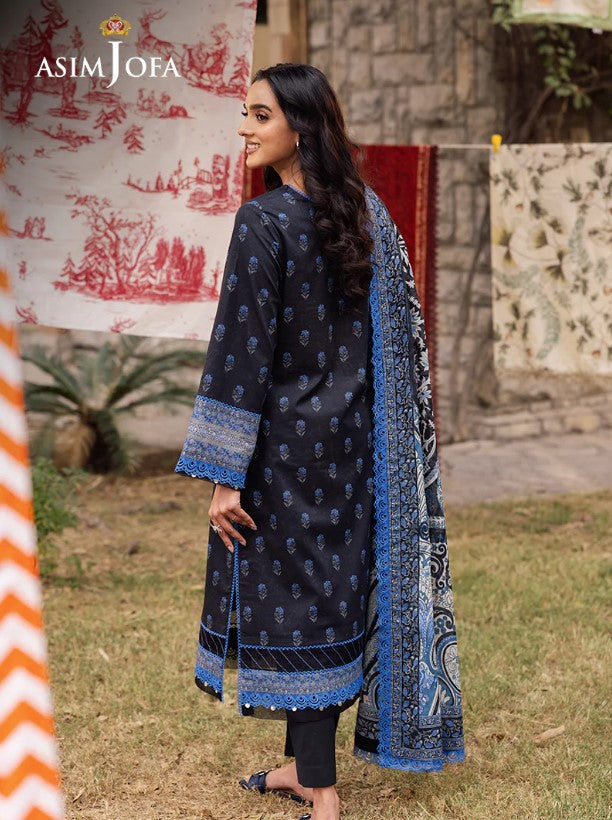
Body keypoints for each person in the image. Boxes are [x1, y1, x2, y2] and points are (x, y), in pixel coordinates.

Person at [175, 63, 465, 820]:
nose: (244, 128)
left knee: (295, 610)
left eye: (259, 115)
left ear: (299, 128)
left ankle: (322, 791)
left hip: (280, 455)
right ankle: (300, 770)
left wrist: (224, 477)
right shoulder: (366, 215)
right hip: (358, 449)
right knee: (329, 604)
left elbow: (240, 356)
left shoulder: (263, 222)